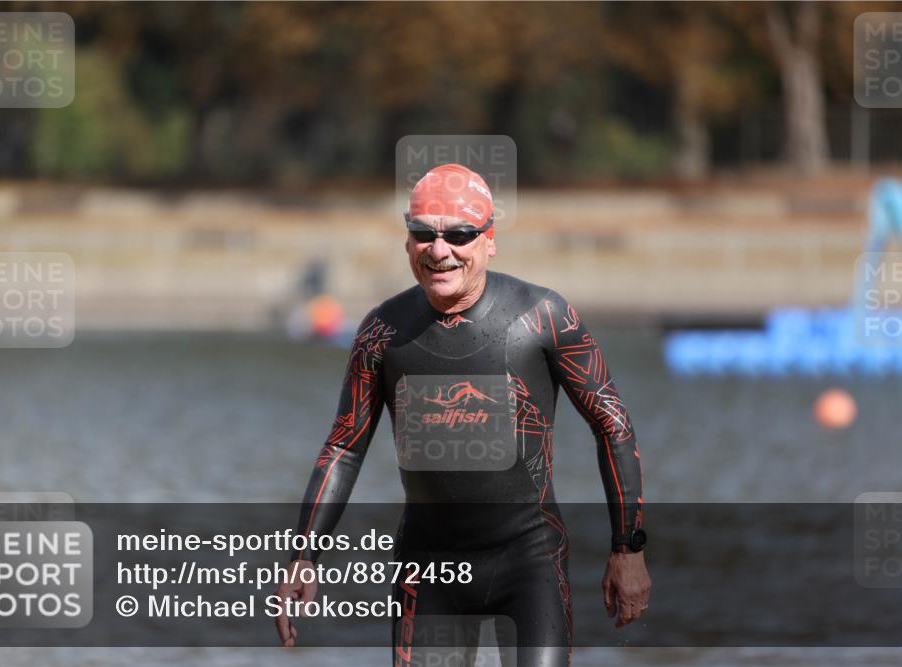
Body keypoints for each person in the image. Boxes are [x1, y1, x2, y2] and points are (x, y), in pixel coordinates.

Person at [274, 163, 651, 666]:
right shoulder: (382, 332)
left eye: (459, 234)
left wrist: (628, 549)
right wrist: (305, 554)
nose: (439, 250)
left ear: (489, 240)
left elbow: (613, 424)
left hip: (529, 559)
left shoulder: (542, 317)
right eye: (423, 234)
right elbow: (345, 445)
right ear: (407, 242)